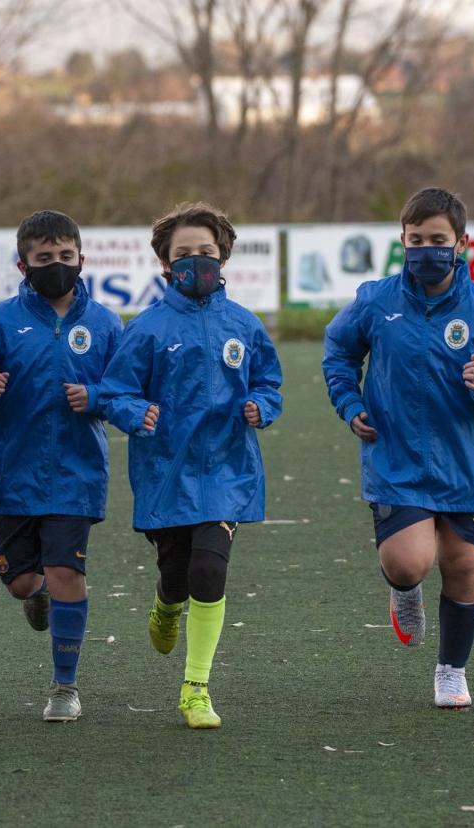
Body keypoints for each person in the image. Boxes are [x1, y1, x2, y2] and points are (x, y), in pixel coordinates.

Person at [323, 187, 474, 708]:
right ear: (402, 241)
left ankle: (451, 670)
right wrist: (351, 404)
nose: (426, 250)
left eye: (437, 240)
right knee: (409, 562)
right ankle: (404, 591)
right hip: (397, 458)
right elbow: (337, 352)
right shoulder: (376, 300)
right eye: (415, 240)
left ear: (461, 243)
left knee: (464, 566)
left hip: (467, 463)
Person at [97, 202, 283, 729]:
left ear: (222, 257)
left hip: (228, 469)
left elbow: (269, 382)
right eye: (184, 254)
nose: (196, 261)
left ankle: (195, 687)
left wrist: (261, 407)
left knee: (209, 568)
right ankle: (165, 604)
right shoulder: (148, 328)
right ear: (164, 264)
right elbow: (115, 391)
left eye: (205, 252)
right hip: (165, 472)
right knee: (176, 574)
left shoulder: (243, 324)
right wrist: (138, 411)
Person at [0, 210, 121, 722]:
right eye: (44, 258)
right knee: (21, 581)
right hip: (10, 472)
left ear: (82, 259)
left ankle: (64, 687)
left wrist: (96, 396)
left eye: (66, 257)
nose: (57, 265)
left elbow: (125, 392)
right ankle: (38, 596)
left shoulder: (105, 324)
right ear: (22, 265)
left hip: (75, 473)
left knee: (65, 571)